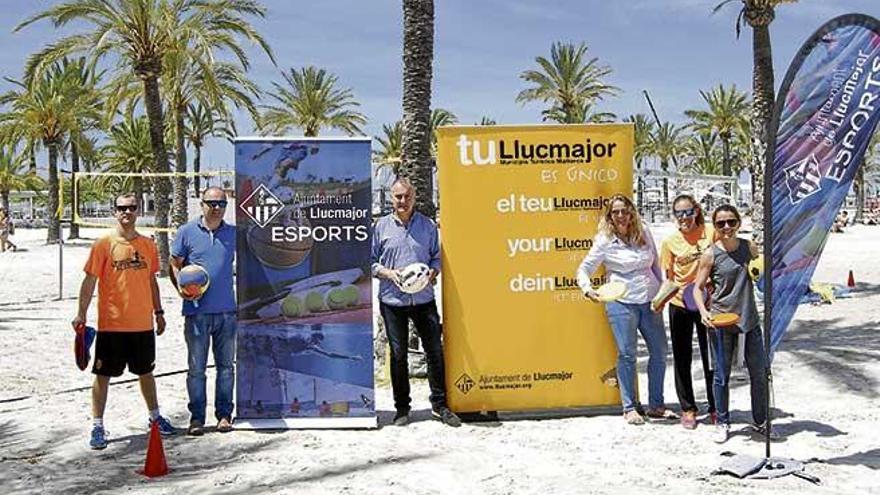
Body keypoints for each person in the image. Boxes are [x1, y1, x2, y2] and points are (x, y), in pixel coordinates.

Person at [72, 193, 174, 450]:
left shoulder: (148, 245)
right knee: (102, 375)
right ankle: (97, 426)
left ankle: (155, 418)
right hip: (112, 325)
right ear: (114, 211)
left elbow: (151, 281)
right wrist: (81, 313)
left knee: (146, 372)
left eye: (131, 207)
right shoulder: (104, 244)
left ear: (138, 211)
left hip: (142, 324)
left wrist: (159, 312)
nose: (127, 212)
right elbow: (89, 281)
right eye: (122, 208)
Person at [371, 177, 461, 427]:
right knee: (398, 355)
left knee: (434, 352)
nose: (403, 201)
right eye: (398, 196)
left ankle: (440, 405)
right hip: (392, 302)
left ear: (414, 197)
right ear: (392, 198)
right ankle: (402, 409)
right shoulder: (380, 227)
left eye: (407, 196)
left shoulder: (428, 226)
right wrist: (390, 274)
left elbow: (435, 259)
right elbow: (370, 262)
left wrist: (432, 273)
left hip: (423, 300)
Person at [576, 194, 672, 425]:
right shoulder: (604, 240)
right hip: (621, 303)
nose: (621, 216)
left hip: (649, 301)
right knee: (628, 354)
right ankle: (629, 407)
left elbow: (656, 264)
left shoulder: (644, 232)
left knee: (659, 352)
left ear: (632, 212)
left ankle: (656, 405)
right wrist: (588, 290)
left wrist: (661, 294)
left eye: (625, 211)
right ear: (609, 216)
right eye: (616, 212)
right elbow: (584, 269)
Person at [693, 204, 773, 444]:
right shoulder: (710, 254)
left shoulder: (749, 247)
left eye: (731, 222)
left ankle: (760, 421)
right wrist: (704, 312)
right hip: (721, 321)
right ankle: (723, 422)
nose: (726, 227)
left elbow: (760, 275)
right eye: (720, 223)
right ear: (715, 227)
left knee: (759, 373)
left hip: (749, 321)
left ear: (738, 223)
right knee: (721, 376)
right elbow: (697, 289)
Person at [171, 187, 237, 436]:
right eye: (212, 203)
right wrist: (182, 289)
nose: (217, 208)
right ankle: (197, 418)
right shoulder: (187, 232)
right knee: (196, 369)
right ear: (202, 204)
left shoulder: (232, 233)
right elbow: (175, 265)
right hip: (196, 312)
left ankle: (224, 415)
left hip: (227, 312)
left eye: (222, 203)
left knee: (226, 367)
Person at [660, 194, 716, 429]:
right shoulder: (669, 242)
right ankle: (688, 409)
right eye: (679, 213)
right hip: (681, 304)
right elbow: (669, 278)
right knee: (682, 357)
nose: (684, 218)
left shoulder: (711, 232)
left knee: (711, 357)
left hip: (708, 304)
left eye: (688, 212)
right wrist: (659, 301)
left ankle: (715, 407)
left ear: (696, 211)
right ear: (674, 216)